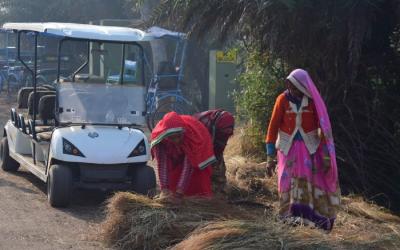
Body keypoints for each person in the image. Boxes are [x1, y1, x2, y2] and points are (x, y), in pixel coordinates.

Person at [265, 68, 341, 231]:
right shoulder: (282, 100)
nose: (293, 90)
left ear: (303, 87)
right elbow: (272, 127)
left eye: (296, 87)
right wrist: (270, 156)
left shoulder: (313, 102)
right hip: (287, 150)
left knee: (306, 184)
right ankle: (287, 219)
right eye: (290, 86)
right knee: (286, 183)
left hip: (309, 150)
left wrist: (326, 157)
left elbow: (323, 129)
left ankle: (307, 222)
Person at [151, 112, 217, 203]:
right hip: (171, 148)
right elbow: (162, 164)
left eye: (178, 137)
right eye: (172, 138)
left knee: (198, 175)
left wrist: (179, 194)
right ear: (166, 136)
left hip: (199, 146)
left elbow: (188, 166)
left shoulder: (190, 136)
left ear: (182, 132)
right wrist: (164, 189)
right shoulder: (160, 140)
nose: (176, 140)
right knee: (173, 172)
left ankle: (198, 198)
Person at [193, 109, 235, 193]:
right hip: (199, 144)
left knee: (218, 166)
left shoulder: (225, 124)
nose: (228, 132)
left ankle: (220, 188)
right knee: (202, 167)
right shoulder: (204, 125)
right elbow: (202, 151)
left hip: (213, 139)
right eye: (225, 130)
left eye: (229, 130)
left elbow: (220, 148)